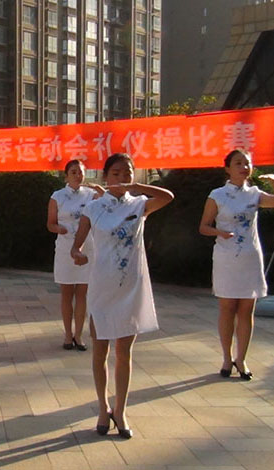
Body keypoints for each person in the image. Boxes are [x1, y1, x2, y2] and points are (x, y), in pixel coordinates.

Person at [71, 153, 173, 439]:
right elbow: (77, 244)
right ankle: (103, 407)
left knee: (124, 352)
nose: (121, 178)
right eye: (115, 173)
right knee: (100, 348)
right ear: (106, 176)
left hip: (131, 285)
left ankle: (121, 409)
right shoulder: (93, 208)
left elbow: (167, 197)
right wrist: (77, 253)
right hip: (102, 284)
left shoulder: (139, 204)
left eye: (127, 173)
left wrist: (138, 187)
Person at [199, 149, 274, 381]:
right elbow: (204, 226)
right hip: (226, 258)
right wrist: (220, 232)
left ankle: (242, 358)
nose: (244, 167)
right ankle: (227, 358)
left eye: (247, 163)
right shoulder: (218, 195)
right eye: (238, 163)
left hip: (250, 257)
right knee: (227, 308)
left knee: (247, 310)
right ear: (227, 168)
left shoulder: (254, 194)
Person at [47, 160, 103, 351]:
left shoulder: (91, 195)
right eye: (73, 172)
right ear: (66, 176)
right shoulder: (57, 196)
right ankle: (67, 334)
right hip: (65, 248)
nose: (78, 176)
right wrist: (59, 229)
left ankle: (78, 335)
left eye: (81, 172)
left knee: (82, 294)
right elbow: (50, 223)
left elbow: (108, 207)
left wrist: (99, 190)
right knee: (66, 293)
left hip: (87, 246)